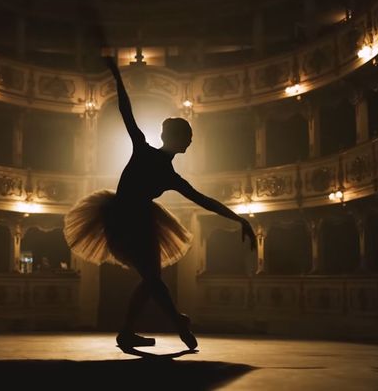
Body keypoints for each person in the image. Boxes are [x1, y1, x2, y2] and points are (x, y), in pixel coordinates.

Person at [64, 56, 256, 351]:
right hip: (121, 218)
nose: (190, 142)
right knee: (152, 277)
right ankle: (177, 323)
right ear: (174, 137)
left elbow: (204, 200)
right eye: (187, 137)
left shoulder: (170, 175)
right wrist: (116, 77)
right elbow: (125, 111)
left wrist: (238, 219)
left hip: (143, 222)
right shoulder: (143, 150)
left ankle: (131, 330)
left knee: (151, 278)